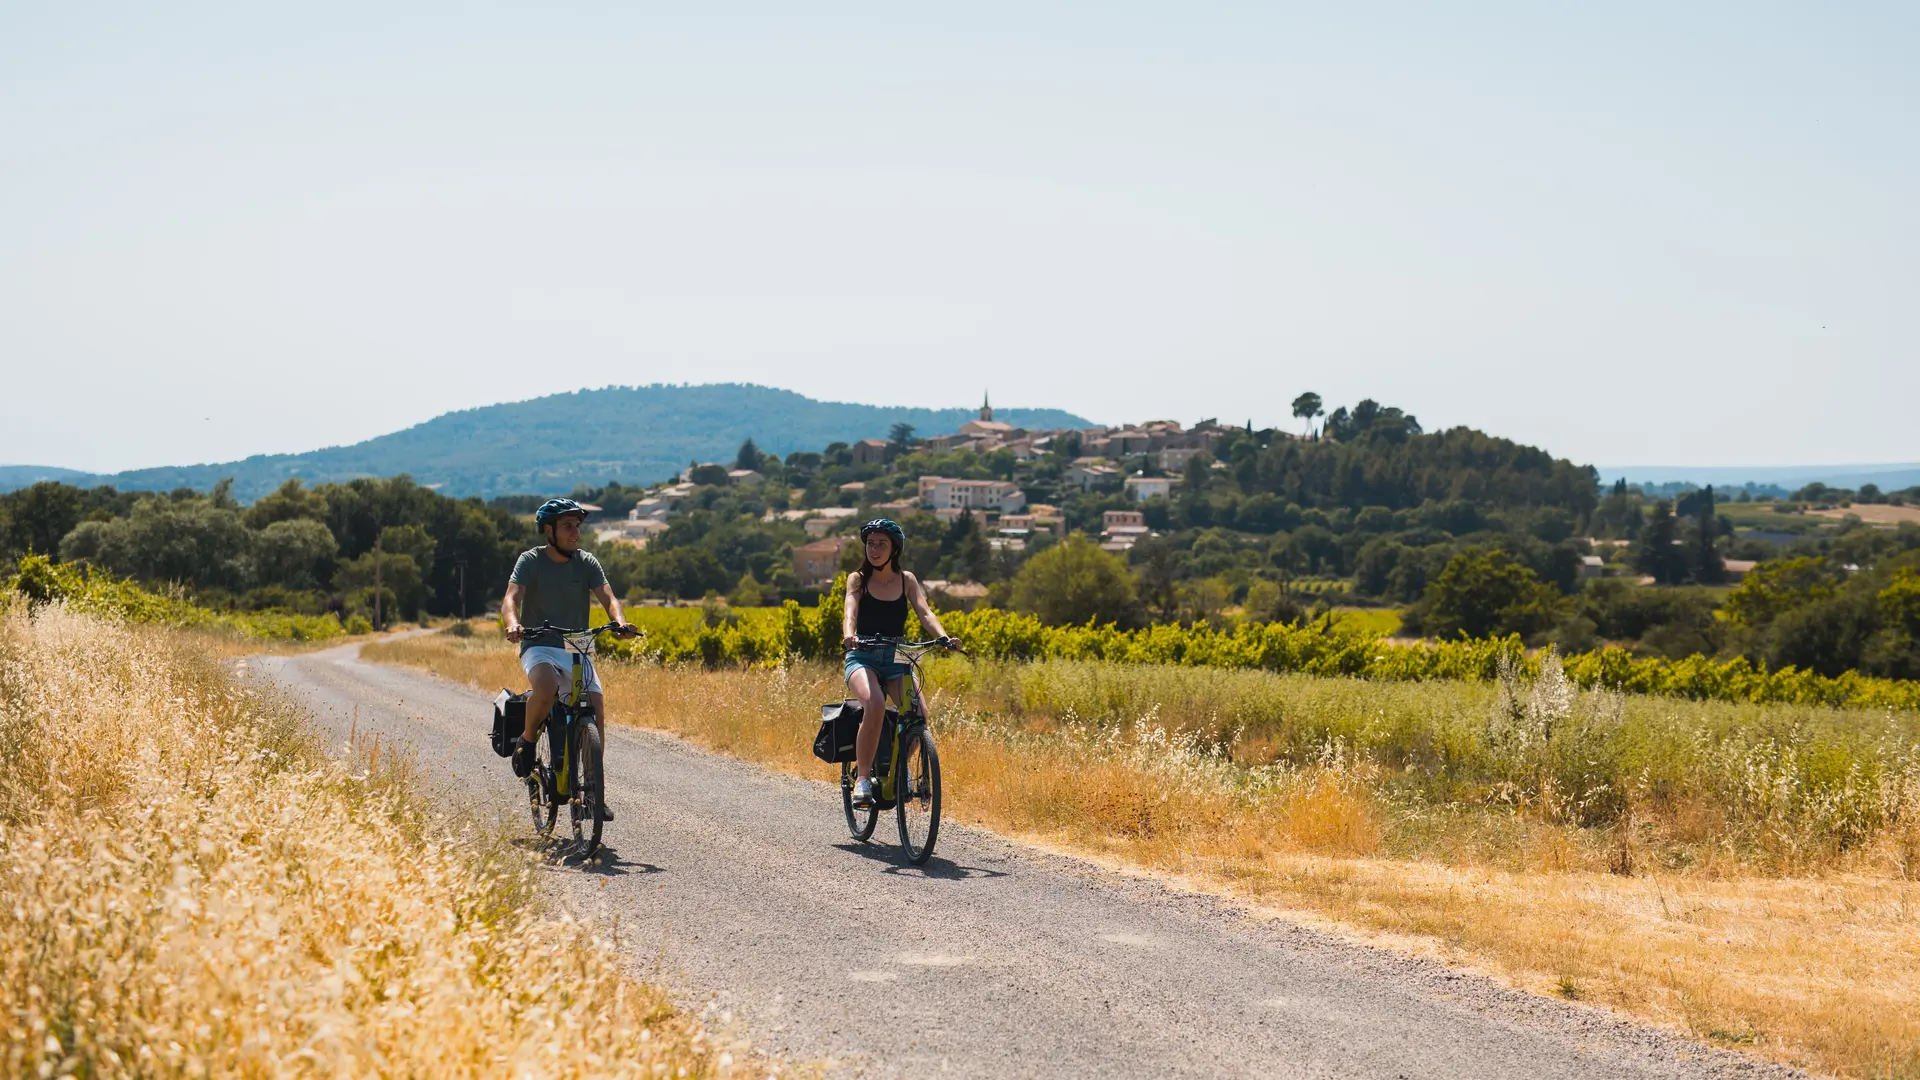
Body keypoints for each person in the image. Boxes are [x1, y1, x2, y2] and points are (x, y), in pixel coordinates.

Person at [501, 497, 633, 821]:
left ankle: (593, 790)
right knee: (545, 689)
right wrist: (513, 623)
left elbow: (609, 597)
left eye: (577, 526)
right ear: (549, 531)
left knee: (595, 706)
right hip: (539, 642)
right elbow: (510, 598)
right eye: (567, 526)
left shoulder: (587, 562)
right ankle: (528, 742)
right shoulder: (530, 561)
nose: (575, 532)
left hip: (577, 644)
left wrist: (618, 620)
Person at [841, 518, 956, 808]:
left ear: (894, 549)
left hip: (897, 657)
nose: (874, 549)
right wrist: (849, 635)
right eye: (870, 544)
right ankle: (863, 781)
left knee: (918, 713)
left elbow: (925, 613)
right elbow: (850, 613)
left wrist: (943, 637)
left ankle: (901, 767)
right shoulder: (858, 579)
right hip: (863, 655)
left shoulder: (907, 580)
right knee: (876, 704)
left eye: (881, 544)